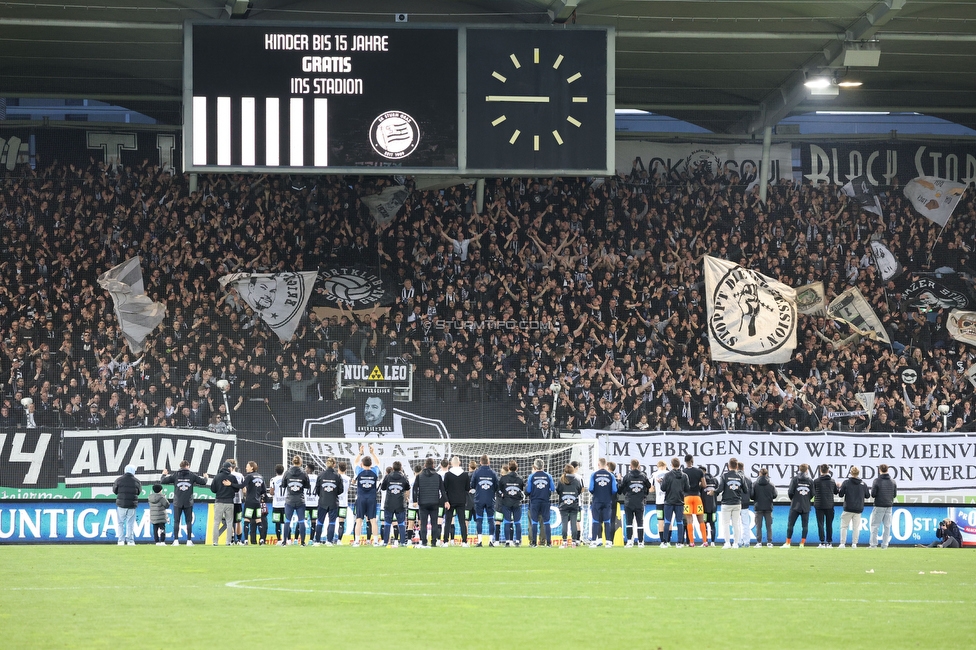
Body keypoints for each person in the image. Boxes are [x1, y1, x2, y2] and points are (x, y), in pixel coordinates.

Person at [160, 460, 209, 545]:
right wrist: (206, 477)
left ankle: (176, 540)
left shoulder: (175, 475)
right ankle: (189, 541)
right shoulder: (192, 475)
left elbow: (163, 481)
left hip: (177, 502)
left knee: (176, 521)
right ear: (188, 465)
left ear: (180, 466)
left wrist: (164, 474)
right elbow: (203, 482)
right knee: (188, 521)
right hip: (188, 502)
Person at [413, 457, 448, 547]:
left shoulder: (419, 476)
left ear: (425, 465)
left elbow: (415, 489)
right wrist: (446, 501)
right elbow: (443, 490)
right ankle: (433, 542)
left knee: (423, 523)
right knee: (434, 523)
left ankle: (424, 541)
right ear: (433, 465)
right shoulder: (438, 476)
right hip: (434, 502)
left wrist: (414, 500)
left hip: (423, 503)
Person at [619, 459, 653, 547]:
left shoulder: (627, 476)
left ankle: (629, 541)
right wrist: (644, 494)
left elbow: (621, 489)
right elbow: (649, 486)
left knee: (629, 523)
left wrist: (620, 482)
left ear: (631, 465)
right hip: (640, 502)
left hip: (629, 502)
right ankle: (641, 542)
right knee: (640, 522)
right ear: (639, 465)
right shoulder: (643, 476)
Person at [353, 445, 381, 546]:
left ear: (362, 463)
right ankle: (376, 541)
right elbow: (378, 462)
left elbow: (355, 462)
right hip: (371, 498)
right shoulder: (374, 471)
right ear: (371, 464)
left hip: (361, 498)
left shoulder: (359, 471)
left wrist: (360, 452)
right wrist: (373, 453)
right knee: (373, 520)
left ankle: (356, 541)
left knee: (359, 520)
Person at [470, 454, 499, 547]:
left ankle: (479, 541)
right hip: (490, 499)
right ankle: (491, 541)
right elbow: (496, 487)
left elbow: (472, 484)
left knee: (479, 520)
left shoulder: (477, 472)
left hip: (479, 499)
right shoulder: (493, 473)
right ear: (489, 462)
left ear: (480, 462)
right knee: (491, 520)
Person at [211, 461, 243, 546]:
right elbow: (237, 489)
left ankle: (215, 542)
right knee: (229, 522)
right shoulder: (232, 477)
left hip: (219, 502)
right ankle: (228, 542)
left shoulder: (217, 477)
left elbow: (213, 489)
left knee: (216, 522)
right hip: (229, 502)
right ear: (229, 468)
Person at [313, 457, 344, 545]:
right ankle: (329, 541)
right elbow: (341, 490)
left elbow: (317, 489)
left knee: (319, 521)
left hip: (322, 501)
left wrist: (323, 495)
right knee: (332, 522)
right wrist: (334, 493)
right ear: (334, 465)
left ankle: (317, 541)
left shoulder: (321, 475)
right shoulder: (337, 476)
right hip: (333, 502)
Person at [380, 460, 411, 547]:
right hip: (400, 503)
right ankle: (402, 542)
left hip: (389, 503)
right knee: (401, 523)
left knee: (387, 523)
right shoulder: (404, 477)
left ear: (393, 468)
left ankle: (385, 542)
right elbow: (407, 487)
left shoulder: (388, 476)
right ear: (401, 468)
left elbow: (382, 488)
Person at [281, 455, 310, 546]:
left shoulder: (287, 472)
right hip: (300, 500)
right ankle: (302, 542)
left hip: (289, 500)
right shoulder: (304, 473)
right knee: (301, 521)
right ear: (300, 462)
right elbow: (307, 485)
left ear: (293, 462)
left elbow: (283, 484)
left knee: (287, 521)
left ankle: (284, 542)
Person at [838, 466, 870, 548]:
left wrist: (840, 487)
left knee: (844, 526)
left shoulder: (846, 482)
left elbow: (840, 494)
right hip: (858, 508)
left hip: (848, 507)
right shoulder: (863, 484)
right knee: (856, 527)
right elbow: (867, 496)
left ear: (850, 473)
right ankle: (854, 543)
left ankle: (842, 543)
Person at [526, 458, 555, 547]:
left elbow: (528, 490)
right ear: (543, 466)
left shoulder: (531, 476)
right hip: (545, 501)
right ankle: (549, 543)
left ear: (534, 466)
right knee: (546, 522)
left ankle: (534, 543)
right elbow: (553, 488)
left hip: (534, 501)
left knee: (534, 522)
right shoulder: (548, 476)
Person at [588, 457, 617, 547]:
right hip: (607, 500)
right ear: (606, 464)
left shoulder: (594, 474)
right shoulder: (611, 475)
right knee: (607, 521)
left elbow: (590, 488)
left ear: (598, 464)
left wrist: (596, 493)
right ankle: (608, 541)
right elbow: (614, 489)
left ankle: (593, 541)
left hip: (597, 500)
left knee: (595, 520)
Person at [661, 458, 689, 548]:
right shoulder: (684, 476)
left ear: (671, 465)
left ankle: (665, 542)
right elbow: (687, 488)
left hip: (669, 501)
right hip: (680, 501)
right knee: (680, 521)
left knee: (667, 521)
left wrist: (662, 482)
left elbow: (663, 488)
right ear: (679, 464)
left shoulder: (667, 475)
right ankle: (679, 542)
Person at [716, 458, 744, 549]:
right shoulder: (741, 476)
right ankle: (736, 543)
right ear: (736, 466)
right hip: (737, 502)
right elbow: (746, 490)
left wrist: (713, 492)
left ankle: (727, 542)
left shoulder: (724, 476)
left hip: (726, 503)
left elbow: (720, 489)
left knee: (726, 523)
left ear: (728, 466)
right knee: (736, 523)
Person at [784, 463, 814, 548]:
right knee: (805, 525)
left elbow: (790, 492)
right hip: (806, 506)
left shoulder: (795, 479)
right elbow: (813, 493)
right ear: (807, 470)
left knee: (790, 524)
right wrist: (806, 499)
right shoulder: (810, 480)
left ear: (799, 470)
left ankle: (788, 543)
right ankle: (802, 543)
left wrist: (794, 499)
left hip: (795, 505)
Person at [442, 456, 470, 546]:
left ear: (451, 463)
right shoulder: (465, 474)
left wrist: (446, 500)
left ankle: (446, 541)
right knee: (462, 521)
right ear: (460, 462)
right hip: (461, 500)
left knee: (448, 521)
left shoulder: (448, 475)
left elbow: (444, 488)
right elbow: (467, 488)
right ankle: (464, 541)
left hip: (450, 501)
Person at [869, 463, 898, 549]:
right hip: (889, 505)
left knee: (875, 526)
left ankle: (873, 545)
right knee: (887, 526)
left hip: (879, 505)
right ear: (888, 470)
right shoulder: (893, 481)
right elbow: (894, 495)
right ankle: (885, 545)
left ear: (879, 470)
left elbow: (873, 494)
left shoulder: (877, 481)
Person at [497, 460, 525, 546]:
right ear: (517, 468)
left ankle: (507, 541)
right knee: (517, 522)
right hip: (517, 503)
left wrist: (502, 494)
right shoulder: (520, 478)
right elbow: (522, 490)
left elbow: (498, 490)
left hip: (506, 503)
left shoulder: (503, 478)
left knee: (507, 522)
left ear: (508, 468)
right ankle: (517, 541)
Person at [682, 455, 707, 547]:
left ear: (685, 461)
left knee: (689, 520)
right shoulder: (699, 471)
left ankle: (691, 542)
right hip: (697, 497)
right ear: (692, 460)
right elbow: (704, 485)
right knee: (701, 520)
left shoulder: (683, 472)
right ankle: (705, 541)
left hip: (687, 498)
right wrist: (698, 484)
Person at [113, 464, 141, 546]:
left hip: (121, 504)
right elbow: (139, 492)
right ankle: (130, 541)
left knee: (120, 523)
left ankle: (121, 540)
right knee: (130, 524)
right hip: (132, 504)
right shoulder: (137, 481)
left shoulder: (119, 480)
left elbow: (115, 490)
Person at [556, 464, 583, 547]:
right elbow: (579, 490)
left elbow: (558, 491)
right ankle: (574, 541)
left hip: (563, 504)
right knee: (574, 523)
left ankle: (564, 541)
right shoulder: (577, 480)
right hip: (574, 504)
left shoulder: (561, 480)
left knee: (564, 523)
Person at [813, 463, 839, 547]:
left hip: (819, 505)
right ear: (828, 471)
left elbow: (813, 492)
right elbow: (836, 492)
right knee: (829, 524)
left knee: (820, 524)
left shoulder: (816, 481)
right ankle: (829, 541)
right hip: (829, 505)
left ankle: (822, 541)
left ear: (820, 470)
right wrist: (838, 486)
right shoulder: (832, 481)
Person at [241, 461, 267, 545]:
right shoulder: (261, 477)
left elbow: (242, 485)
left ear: (252, 467)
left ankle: (245, 540)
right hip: (257, 503)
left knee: (246, 520)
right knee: (259, 520)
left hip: (249, 502)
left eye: (247, 466)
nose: (246, 468)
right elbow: (264, 491)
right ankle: (262, 539)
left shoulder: (249, 476)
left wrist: (232, 484)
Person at [751, 467, 777, 547]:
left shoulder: (755, 484)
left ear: (759, 474)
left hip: (758, 507)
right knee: (769, 526)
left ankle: (759, 542)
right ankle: (769, 542)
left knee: (758, 526)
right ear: (767, 474)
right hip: (768, 507)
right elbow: (775, 495)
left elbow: (751, 496)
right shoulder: (771, 484)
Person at [736, 461, 753, 548]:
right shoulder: (748, 478)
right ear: (743, 468)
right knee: (746, 523)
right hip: (745, 503)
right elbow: (751, 491)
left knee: (737, 523)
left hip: (736, 502)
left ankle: (738, 541)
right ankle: (747, 542)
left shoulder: (735, 477)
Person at [650, 460, 668, 543]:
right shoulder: (669, 473)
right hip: (669, 501)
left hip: (659, 501)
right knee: (669, 520)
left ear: (658, 466)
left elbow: (651, 489)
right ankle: (668, 541)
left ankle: (662, 541)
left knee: (660, 521)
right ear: (665, 465)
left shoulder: (654, 474)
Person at [702, 467, 719, 546]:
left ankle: (705, 542)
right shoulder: (715, 480)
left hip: (704, 507)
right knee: (712, 525)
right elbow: (717, 492)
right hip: (713, 506)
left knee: (704, 524)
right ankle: (712, 542)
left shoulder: (701, 481)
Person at [269, 464, 286, 543]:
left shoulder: (273, 479)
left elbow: (271, 492)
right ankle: (288, 539)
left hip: (276, 504)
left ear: (275, 471)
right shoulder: (286, 478)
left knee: (277, 523)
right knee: (287, 522)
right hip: (286, 504)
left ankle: (279, 540)